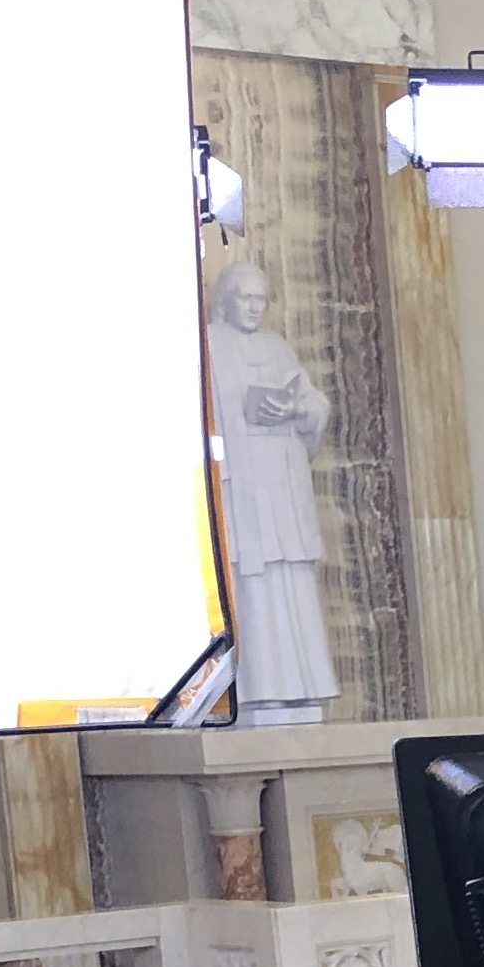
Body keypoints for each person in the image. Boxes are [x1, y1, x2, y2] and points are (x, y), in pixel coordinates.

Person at [204, 257, 337, 725]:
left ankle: (301, 686)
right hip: (242, 481)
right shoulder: (209, 344)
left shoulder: (277, 346)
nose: (254, 307)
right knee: (253, 581)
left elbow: (314, 401)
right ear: (226, 301)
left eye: (261, 299)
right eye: (246, 298)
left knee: (290, 576)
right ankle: (257, 688)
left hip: (282, 477)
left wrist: (297, 409)